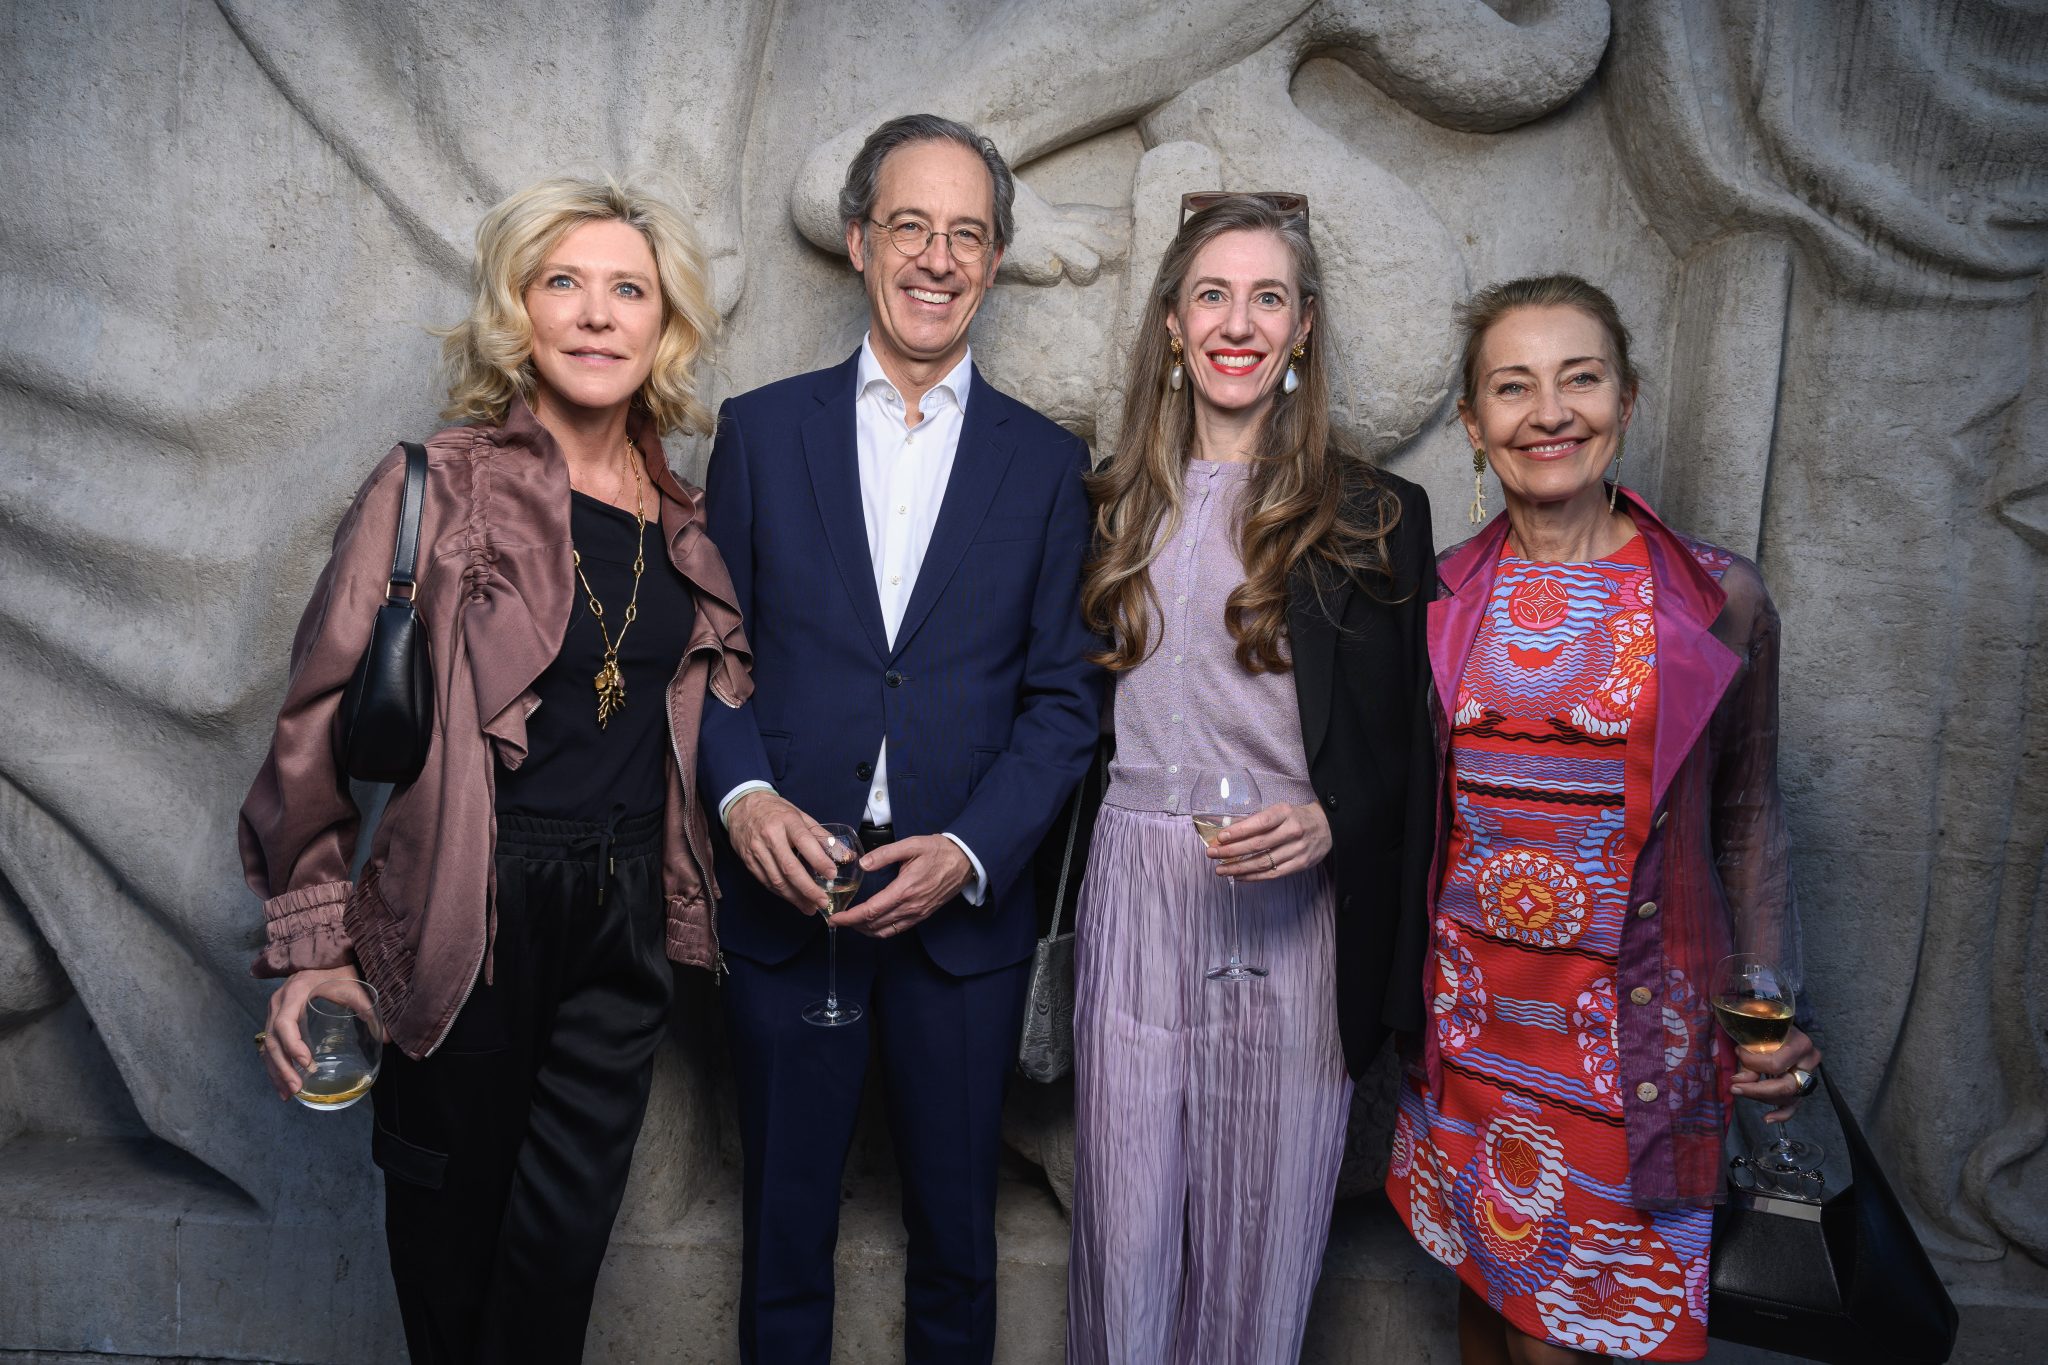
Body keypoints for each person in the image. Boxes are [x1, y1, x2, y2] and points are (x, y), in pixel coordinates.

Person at [239, 175, 748, 1364]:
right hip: (469, 904)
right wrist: (314, 945)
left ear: (664, 326)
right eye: (560, 282)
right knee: (450, 1254)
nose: (594, 312)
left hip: (624, 925)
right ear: (517, 311)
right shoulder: (435, 487)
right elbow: (311, 722)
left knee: (555, 1268)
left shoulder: (688, 519)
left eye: (629, 288)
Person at [697, 114, 1100, 1364]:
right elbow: (713, 661)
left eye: (967, 233)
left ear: (993, 260)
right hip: (786, 896)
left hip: (960, 925)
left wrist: (973, 850)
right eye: (912, 226)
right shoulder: (758, 434)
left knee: (956, 1255)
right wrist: (744, 794)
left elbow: (1065, 702)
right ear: (862, 242)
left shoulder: (1048, 465)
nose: (938, 256)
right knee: (780, 1243)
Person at [1386, 274, 1822, 1364]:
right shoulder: (1434, 595)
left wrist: (1766, 1010)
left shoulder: (1719, 596)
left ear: (1624, 399)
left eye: (1578, 379)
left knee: (1581, 1341)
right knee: (1485, 1316)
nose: (1548, 412)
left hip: (1629, 1045)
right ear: (1473, 425)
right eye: (1511, 387)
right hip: (1471, 1035)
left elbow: (1750, 812)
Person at [1066, 193, 1437, 1364]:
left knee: (1262, 1228)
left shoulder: (1376, 515)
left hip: (1292, 906)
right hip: (1134, 883)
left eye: (1266, 296)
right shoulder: (1102, 502)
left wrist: (1331, 819)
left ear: (1304, 328)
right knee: (1123, 1225)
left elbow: (1415, 753)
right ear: (1171, 325)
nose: (1238, 321)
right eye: (1211, 295)